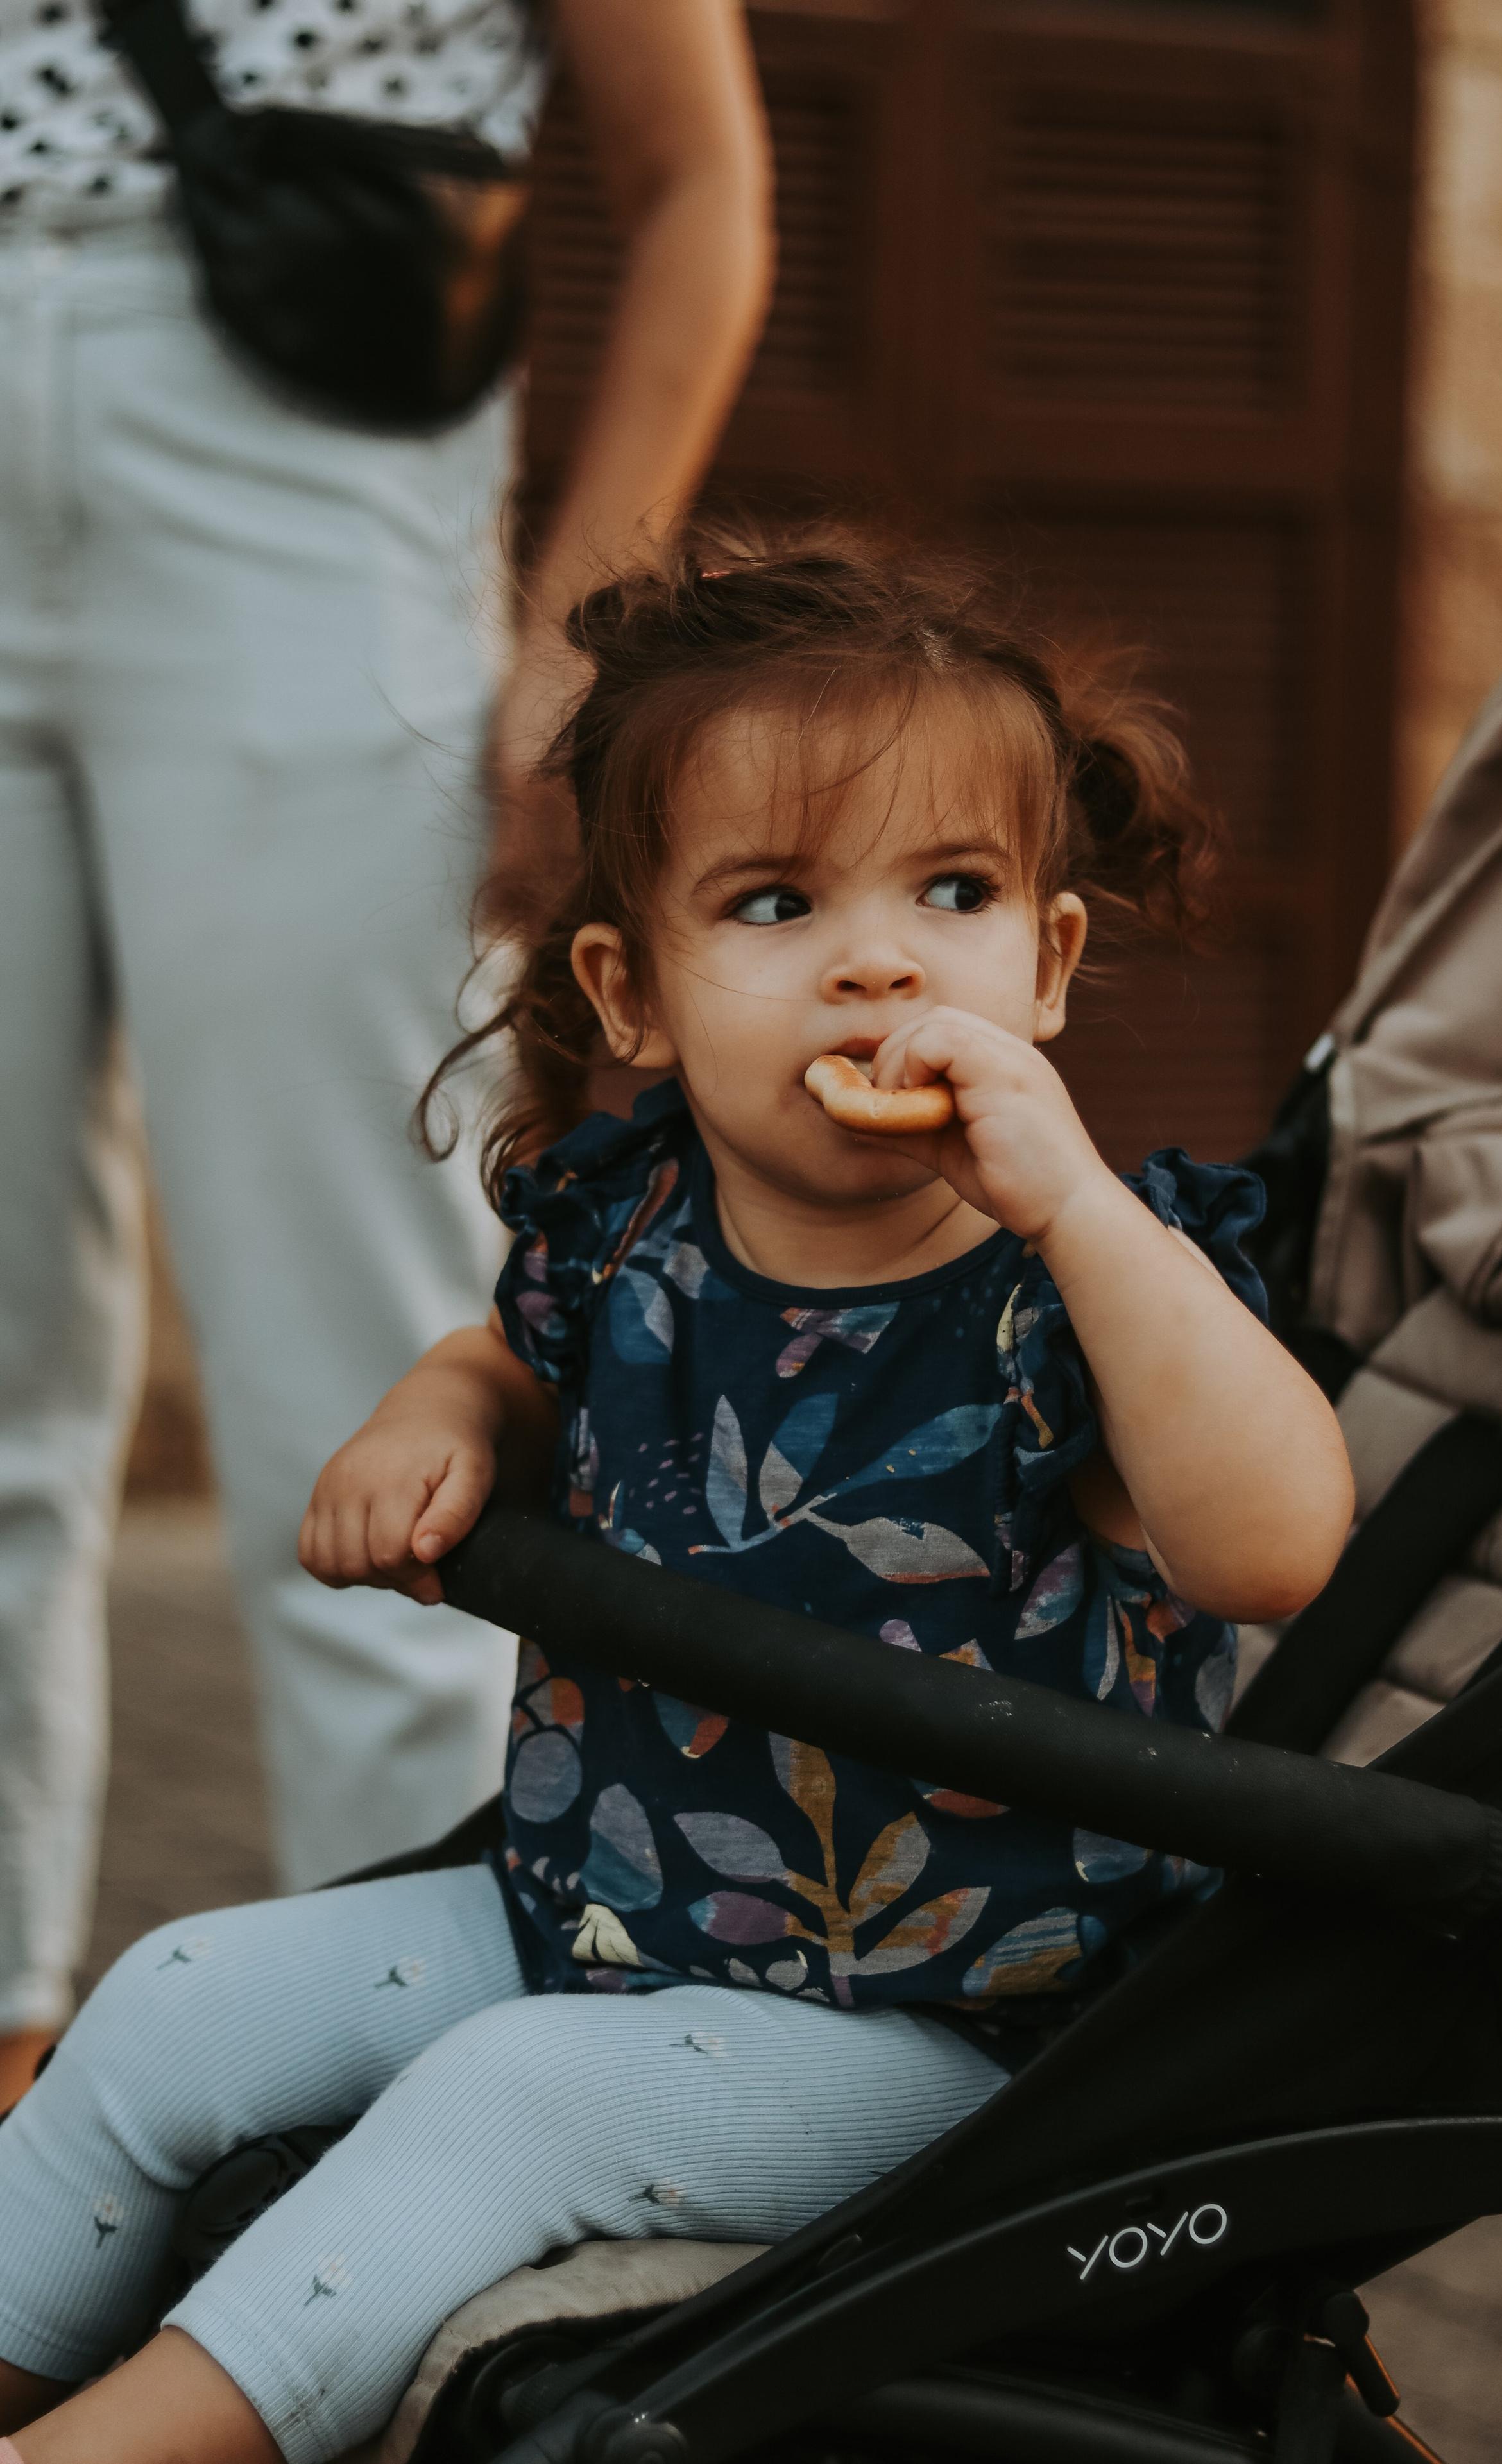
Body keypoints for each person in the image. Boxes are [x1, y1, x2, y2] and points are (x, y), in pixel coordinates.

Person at [0, 529, 1353, 2464]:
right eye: (780, 899)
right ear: (635, 995)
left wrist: (1076, 1207)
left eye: (953, 890)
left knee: (516, 2100)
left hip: (950, 2036)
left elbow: (1275, 1536)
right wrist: (437, 1405)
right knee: (181, 1989)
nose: (880, 958)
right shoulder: (630, 1222)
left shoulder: (1090, 1293)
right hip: (598, 1907)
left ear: (1047, 962)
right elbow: (509, 1354)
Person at [0, 0, 773, 2109]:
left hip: (287, 441)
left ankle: (422, 2095)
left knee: (370, 1377)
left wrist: (573, 623)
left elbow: (703, 178)